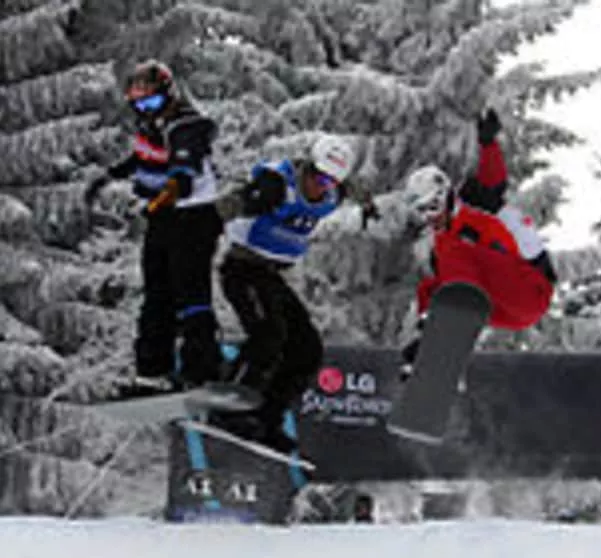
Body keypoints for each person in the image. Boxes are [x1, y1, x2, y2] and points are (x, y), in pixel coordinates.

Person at [212, 134, 375, 453]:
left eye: (330, 183)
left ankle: (266, 419)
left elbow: (353, 187)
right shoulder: (276, 186)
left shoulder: (334, 191)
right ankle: (227, 406)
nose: (321, 188)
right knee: (268, 335)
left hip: (272, 275)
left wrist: (369, 205)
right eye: (318, 178)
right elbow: (229, 205)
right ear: (307, 167)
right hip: (242, 269)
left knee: (306, 349)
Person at [84, 59, 223, 394]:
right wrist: (110, 176)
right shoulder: (150, 128)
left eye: (153, 102)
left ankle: (201, 369)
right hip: (163, 218)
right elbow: (142, 158)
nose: (146, 110)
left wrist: (164, 195)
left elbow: (183, 172)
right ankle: (151, 370)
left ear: (169, 95)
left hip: (193, 216)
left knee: (189, 291)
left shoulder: (185, 125)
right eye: (139, 104)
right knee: (157, 292)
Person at [399, 108, 558, 379]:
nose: (430, 216)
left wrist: (488, 142)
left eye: (433, 206)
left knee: (452, 252)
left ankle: (448, 335)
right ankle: (434, 354)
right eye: (422, 211)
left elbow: (493, 181)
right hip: (504, 309)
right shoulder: (445, 242)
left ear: (446, 195)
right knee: (430, 285)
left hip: (530, 286)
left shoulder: (476, 205)